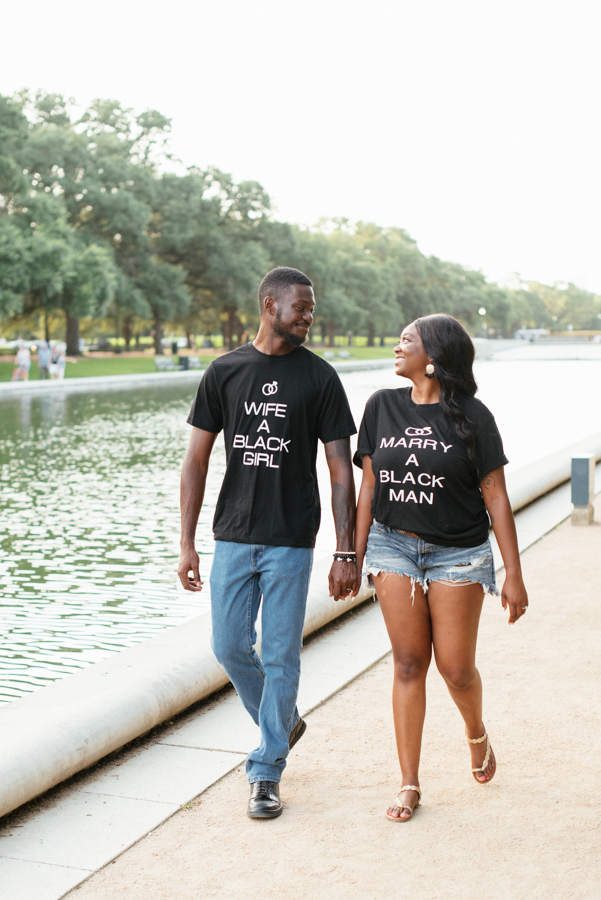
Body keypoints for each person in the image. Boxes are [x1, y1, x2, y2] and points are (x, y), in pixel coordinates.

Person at [179, 267, 359, 819]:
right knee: (229, 646)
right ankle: (283, 722)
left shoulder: (321, 378)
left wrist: (346, 548)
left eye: (311, 308)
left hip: (290, 537)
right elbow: (196, 459)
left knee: (280, 655)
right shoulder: (225, 371)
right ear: (268, 304)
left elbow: (339, 471)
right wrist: (185, 543)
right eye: (300, 307)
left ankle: (266, 770)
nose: (308, 316)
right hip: (233, 534)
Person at [353, 314, 528, 822]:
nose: (396, 345)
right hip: (393, 546)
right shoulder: (381, 406)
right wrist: (351, 554)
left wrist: (512, 574)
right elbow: (369, 489)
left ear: (432, 357)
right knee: (409, 662)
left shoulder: (473, 417)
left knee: (455, 668)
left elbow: (495, 496)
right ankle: (409, 782)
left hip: (459, 551)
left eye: (406, 339)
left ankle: (476, 733)